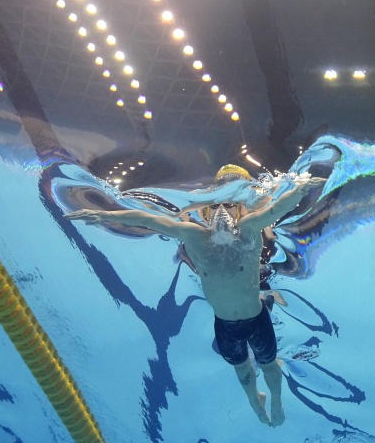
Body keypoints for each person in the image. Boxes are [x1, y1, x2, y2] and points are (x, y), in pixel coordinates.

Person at [66, 165, 326, 425]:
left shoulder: (249, 229)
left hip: (256, 319)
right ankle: (255, 404)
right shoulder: (194, 236)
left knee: (268, 364)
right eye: (214, 206)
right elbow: (148, 220)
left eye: (229, 205)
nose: (221, 212)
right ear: (205, 210)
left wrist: (300, 189)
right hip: (224, 326)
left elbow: (275, 209)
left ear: (239, 208)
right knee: (242, 369)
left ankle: (277, 402)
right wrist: (102, 214)